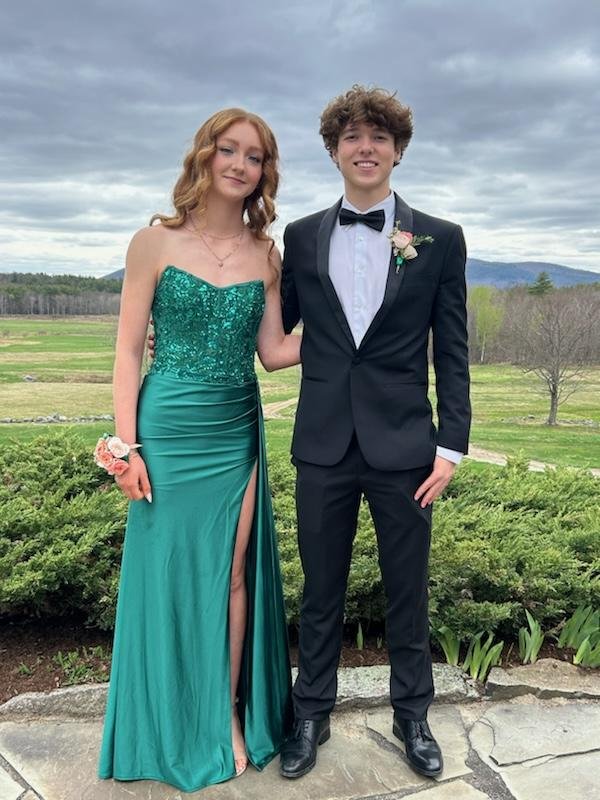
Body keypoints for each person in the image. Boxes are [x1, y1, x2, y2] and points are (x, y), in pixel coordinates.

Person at [97, 108, 299, 793]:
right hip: (168, 429)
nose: (241, 165)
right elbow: (127, 349)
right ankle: (165, 719)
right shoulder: (152, 243)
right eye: (230, 150)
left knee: (233, 576)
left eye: (255, 157)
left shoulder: (266, 256)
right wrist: (127, 446)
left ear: (264, 174)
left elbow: (273, 353)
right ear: (206, 156)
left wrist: (355, 318)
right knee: (166, 578)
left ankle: (227, 717)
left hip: (234, 429)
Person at [278, 86, 471, 780]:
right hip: (323, 444)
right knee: (320, 590)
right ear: (334, 151)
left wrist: (450, 447)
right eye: (353, 137)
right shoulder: (300, 236)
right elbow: (279, 325)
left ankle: (412, 714)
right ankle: (310, 714)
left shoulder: (440, 239)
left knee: (407, 588)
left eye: (379, 138)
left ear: (397, 151)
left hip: (406, 449)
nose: (366, 148)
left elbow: (451, 349)